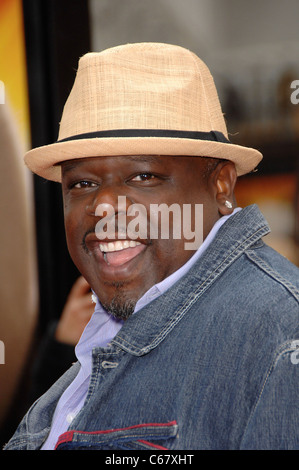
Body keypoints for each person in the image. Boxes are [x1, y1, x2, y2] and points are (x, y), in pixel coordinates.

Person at [4, 43, 299, 450]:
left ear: (221, 186)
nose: (103, 206)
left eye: (142, 177)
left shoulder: (281, 339)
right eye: (82, 183)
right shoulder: (108, 335)